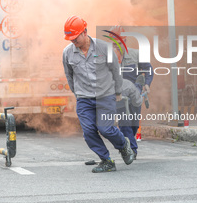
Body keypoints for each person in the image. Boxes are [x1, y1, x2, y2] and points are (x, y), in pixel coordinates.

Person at [62, 16, 134, 173]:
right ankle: (107, 160)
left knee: (105, 129)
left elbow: (116, 70)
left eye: (75, 38)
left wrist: (118, 92)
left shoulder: (103, 48)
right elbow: (69, 76)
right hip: (84, 99)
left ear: (85, 32)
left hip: (105, 96)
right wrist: (78, 94)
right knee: (88, 131)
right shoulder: (67, 53)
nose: (72, 41)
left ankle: (123, 145)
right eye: (70, 39)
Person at [109, 26, 154, 160]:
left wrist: (147, 84)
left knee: (134, 121)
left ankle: (130, 142)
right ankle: (132, 150)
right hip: (120, 95)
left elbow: (149, 70)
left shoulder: (136, 55)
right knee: (124, 121)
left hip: (135, 92)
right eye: (113, 43)